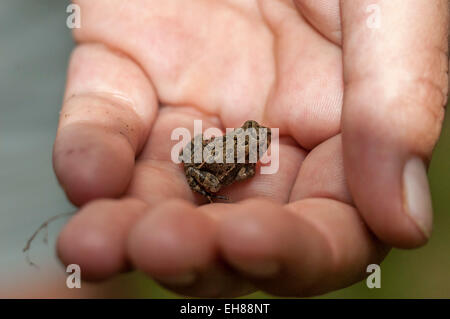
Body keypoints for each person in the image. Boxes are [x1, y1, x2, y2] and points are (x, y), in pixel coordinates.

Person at [54, 0, 449, 297]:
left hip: (203, 151)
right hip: (210, 164)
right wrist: (232, 175)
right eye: (257, 140)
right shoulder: (245, 164)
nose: (261, 143)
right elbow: (243, 173)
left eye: (257, 137)